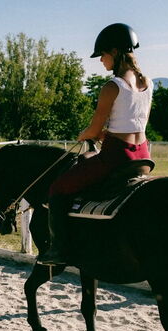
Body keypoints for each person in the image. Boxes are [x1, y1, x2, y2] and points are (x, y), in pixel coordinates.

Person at [37, 22, 154, 266]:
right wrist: (105, 134)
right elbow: (133, 123)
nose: (101, 60)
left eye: (102, 55)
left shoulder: (113, 86)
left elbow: (92, 128)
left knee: (58, 188)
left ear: (114, 52)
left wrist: (87, 134)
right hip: (143, 157)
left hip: (117, 158)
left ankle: (58, 250)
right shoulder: (148, 83)